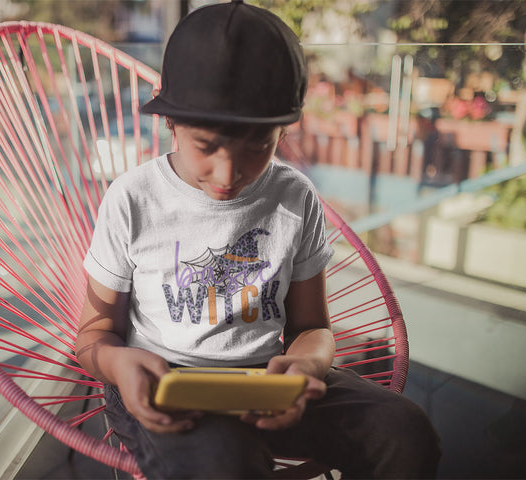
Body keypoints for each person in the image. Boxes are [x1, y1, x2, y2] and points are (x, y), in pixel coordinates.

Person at [75, 1, 440, 478]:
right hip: (166, 388)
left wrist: (305, 367)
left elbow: (313, 327)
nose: (229, 174)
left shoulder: (294, 197)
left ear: (282, 131)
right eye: (206, 147)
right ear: (169, 119)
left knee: (405, 432)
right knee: (226, 460)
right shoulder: (133, 199)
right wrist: (119, 365)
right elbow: (93, 335)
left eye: (257, 147)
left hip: (268, 383)